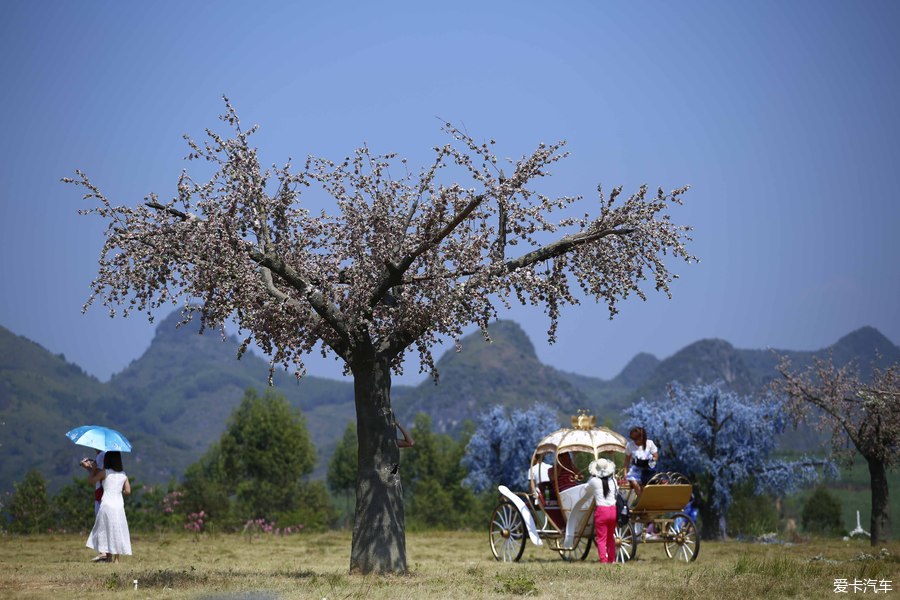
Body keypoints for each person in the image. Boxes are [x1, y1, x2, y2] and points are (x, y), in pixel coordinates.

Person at [86, 451, 132, 563]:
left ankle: (107, 556)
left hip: (106, 503)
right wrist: (119, 490)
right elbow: (128, 491)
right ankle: (116, 559)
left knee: (106, 530)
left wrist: (93, 469)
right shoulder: (123, 474)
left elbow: (90, 481)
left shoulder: (105, 472)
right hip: (118, 505)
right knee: (117, 530)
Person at [586, 458, 618, 563]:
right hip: (613, 510)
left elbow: (586, 489)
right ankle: (612, 560)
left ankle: (603, 560)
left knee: (601, 538)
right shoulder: (613, 481)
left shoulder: (594, 481)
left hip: (601, 511)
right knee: (610, 538)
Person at [623, 426, 658, 497]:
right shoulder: (630, 445)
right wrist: (625, 474)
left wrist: (650, 462)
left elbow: (656, 456)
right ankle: (641, 499)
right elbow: (627, 461)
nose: (635, 441)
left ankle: (646, 501)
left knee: (644, 487)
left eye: (636, 439)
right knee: (635, 484)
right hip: (635, 469)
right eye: (633, 439)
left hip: (647, 469)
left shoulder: (650, 443)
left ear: (642, 437)